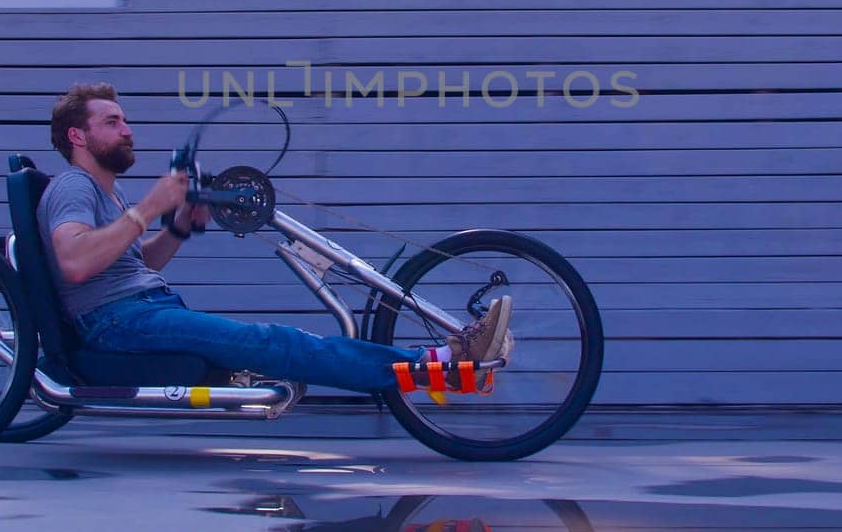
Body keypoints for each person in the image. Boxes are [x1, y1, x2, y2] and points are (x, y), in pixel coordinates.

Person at [37, 82, 512, 394]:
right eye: (112, 122)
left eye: (125, 120)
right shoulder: (72, 186)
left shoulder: (107, 191)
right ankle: (440, 364)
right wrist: (149, 207)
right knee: (278, 343)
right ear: (78, 137)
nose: (128, 130)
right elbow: (76, 263)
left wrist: (179, 224)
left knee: (275, 343)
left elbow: (136, 263)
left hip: (143, 310)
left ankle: (439, 363)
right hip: (118, 323)